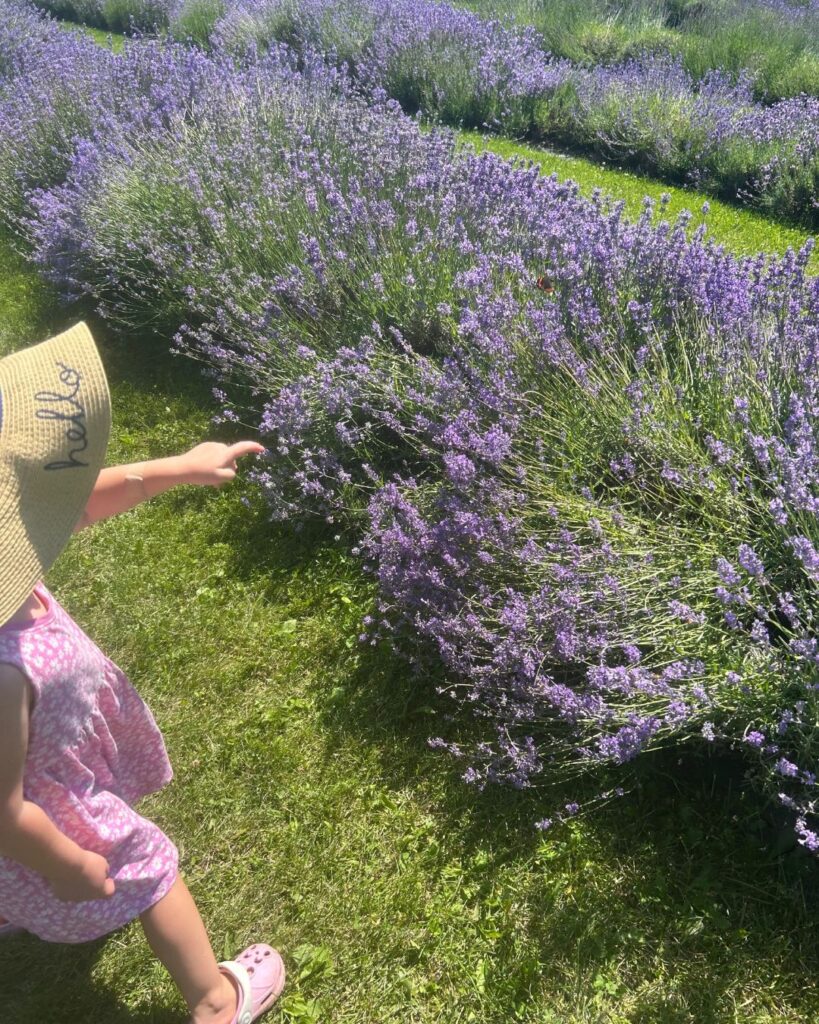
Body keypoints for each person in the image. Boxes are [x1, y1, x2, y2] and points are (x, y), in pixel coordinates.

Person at [0, 323, 284, 1024]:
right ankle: (217, 1001)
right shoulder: (4, 675)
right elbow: (4, 811)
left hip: (48, 764)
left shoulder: (14, 568)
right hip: (48, 812)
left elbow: (78, 501)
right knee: (149, 865)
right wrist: (66, 864)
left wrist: (181, 467)